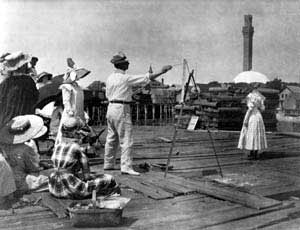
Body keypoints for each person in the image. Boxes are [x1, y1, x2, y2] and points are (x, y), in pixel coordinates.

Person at [104, 51, 172, 175]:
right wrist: (162, 71)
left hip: (111, 107)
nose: (128, 63)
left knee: (111, 138)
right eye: (126, 62)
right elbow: (147, 77)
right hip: (122, 109)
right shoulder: (126, 78)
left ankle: (108, 164)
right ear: (122, 64)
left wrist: (127, 95)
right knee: (126, 139)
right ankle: (126, 167)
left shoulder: (110, 78)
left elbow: (109, 95)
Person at [49, 116, 120, 199]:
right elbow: (87, 176)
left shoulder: (57, 145)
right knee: (109, 178)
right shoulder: (76, 148)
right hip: (71, 189)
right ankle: (112, 192)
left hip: (54, 187)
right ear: (77, 133)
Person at [0, 115, 48, 193]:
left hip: (5, 180)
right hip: (19, 181)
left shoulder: (3, 145)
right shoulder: (27, 149)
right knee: (52, 176)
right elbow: (34, 168)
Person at [55, 58, 88, 146]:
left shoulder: (77, 86)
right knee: (69, 130)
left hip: (79, 112)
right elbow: (66, 100)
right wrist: (70, 111)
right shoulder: (66, 86)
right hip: (71, 113)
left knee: (79, 132)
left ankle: (78, 149)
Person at [238, 88, 267, 159]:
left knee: (251, 133)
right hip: (258, 116)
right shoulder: (260, 96)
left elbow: (250, 109)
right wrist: (260, 104)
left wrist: (246, 119)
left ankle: (251, 152)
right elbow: (262, 109)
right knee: (257, 133)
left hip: (252, 116)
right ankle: (256, 152)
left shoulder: (250, 96)